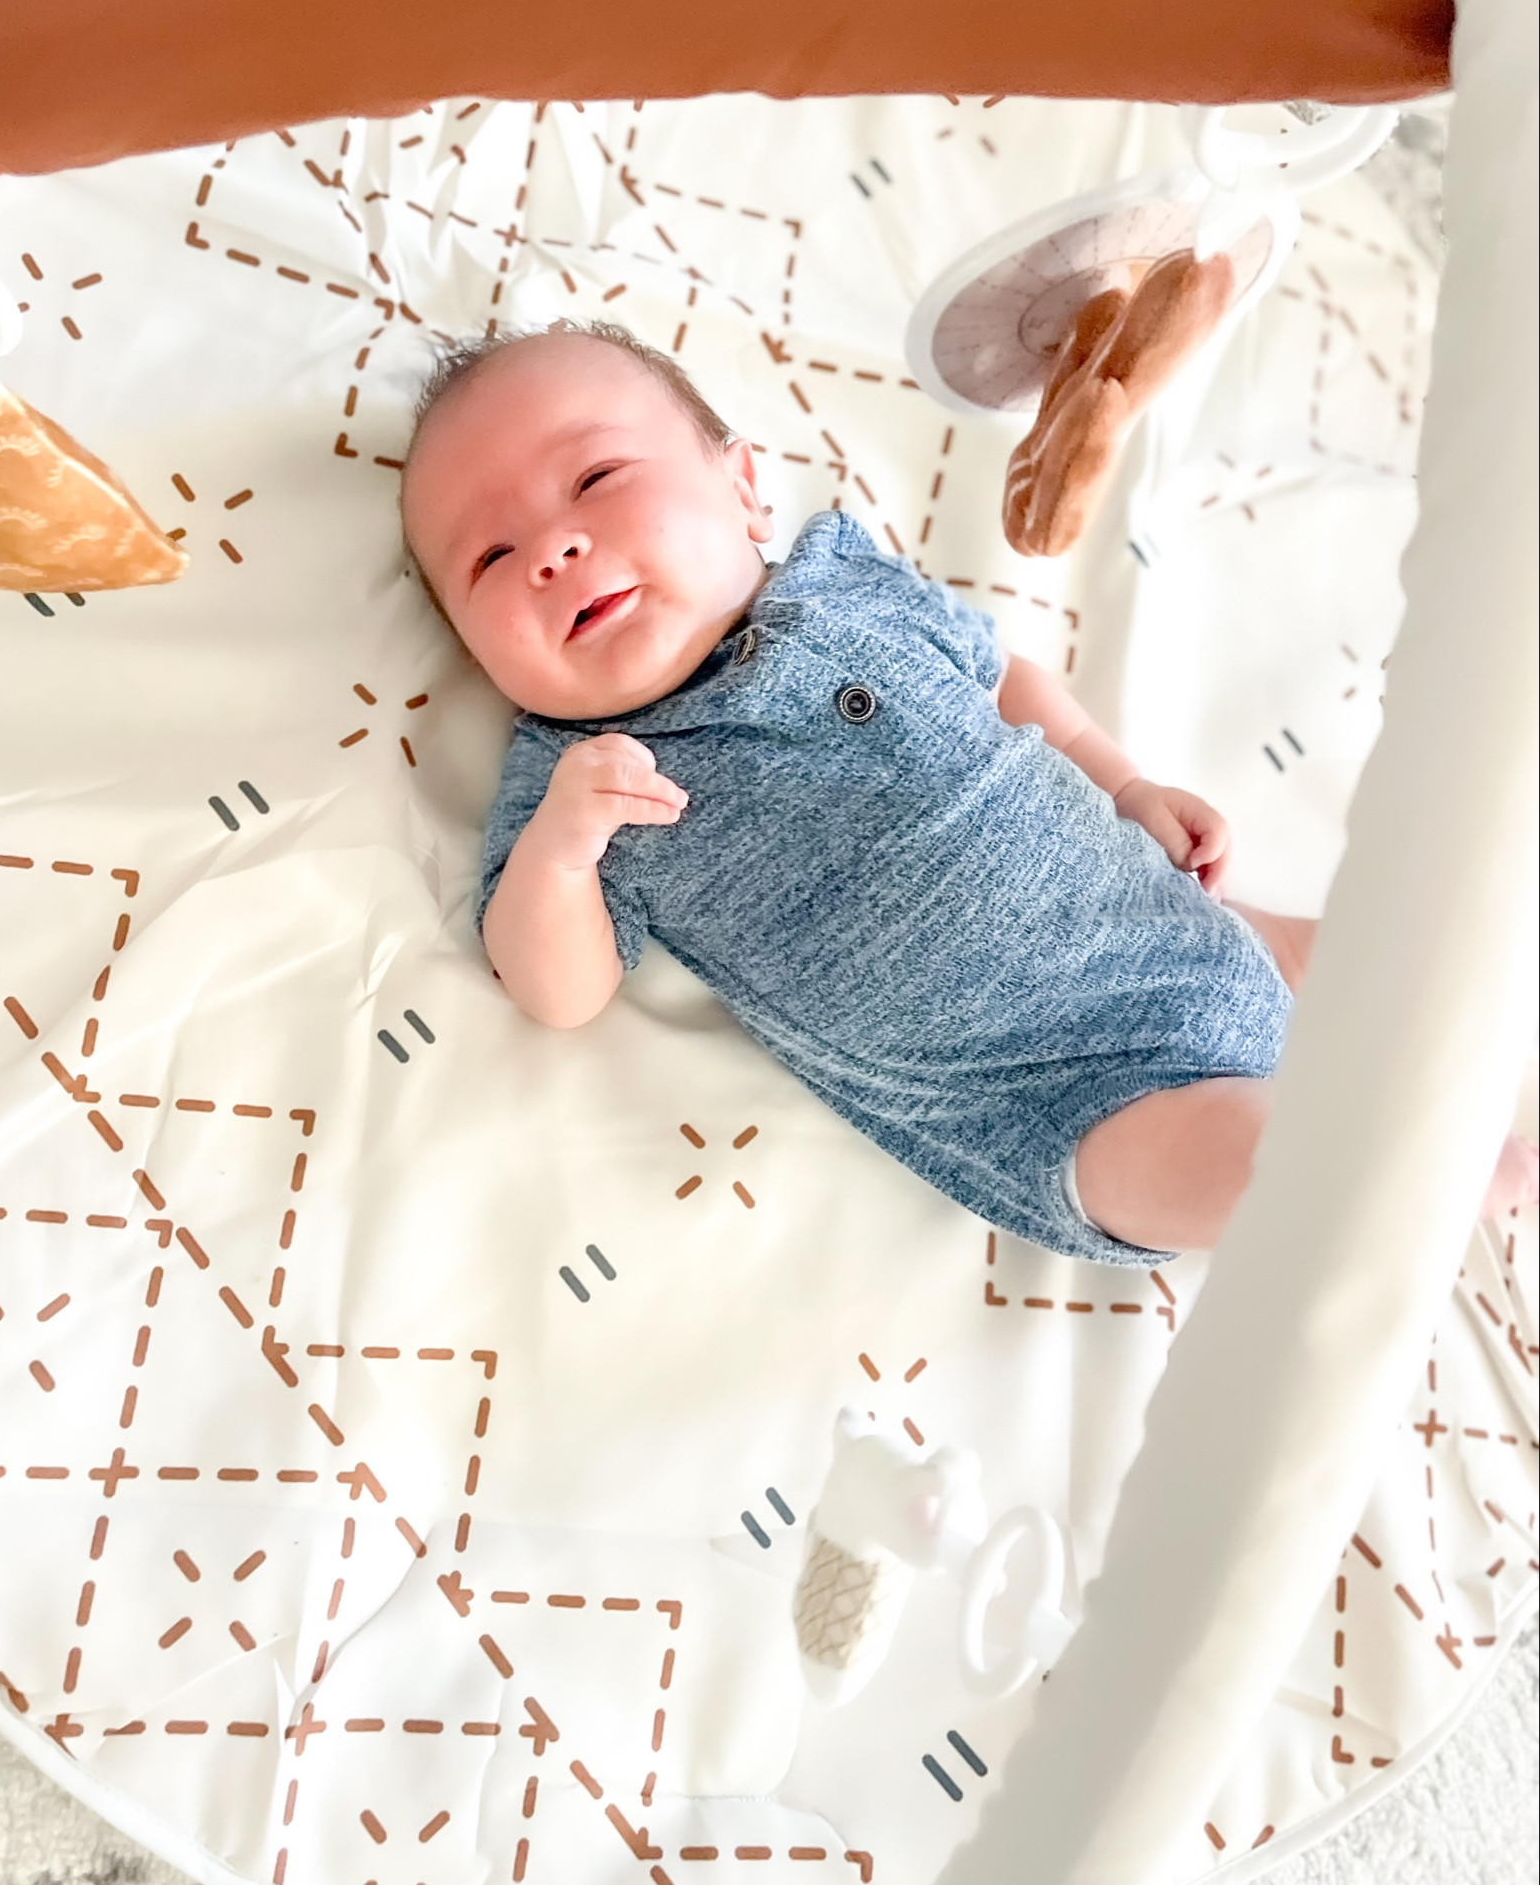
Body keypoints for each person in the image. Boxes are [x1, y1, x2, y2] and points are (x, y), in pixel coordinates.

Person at [400, 320, 1538, 1261]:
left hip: (1166, 917)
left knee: (1383, 948)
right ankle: (1399, 1172)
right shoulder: (575, 773)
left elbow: (1011, 684)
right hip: (1048, 1098)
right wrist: (559, 853)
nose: (552, 547)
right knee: (1242, 1160)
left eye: (595, 478)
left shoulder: (846, 581)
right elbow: (558, 987)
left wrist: (1127, 780)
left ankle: (1480, 1021)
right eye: (490, 559)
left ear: (745, 487)